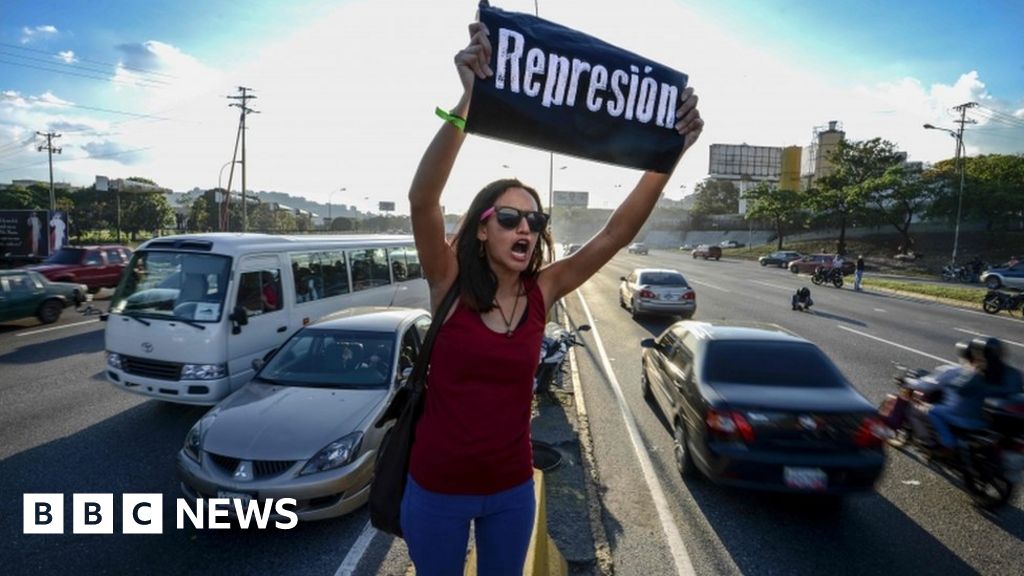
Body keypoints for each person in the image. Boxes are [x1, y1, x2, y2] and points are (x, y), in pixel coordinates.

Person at [403, 20, 703, 576]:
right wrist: (466, 99)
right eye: (509, 217)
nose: (525, 228)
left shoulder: (544, 289)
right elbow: (424, 199)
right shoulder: (447, 280)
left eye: (534, 220)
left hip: (513, 491)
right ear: (481, 230)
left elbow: (615, 234)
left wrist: (672, 153)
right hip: (436, 493)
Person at [928, 337, 1021, 455]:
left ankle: (948, 444)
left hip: (975, 417)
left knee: (934, 411)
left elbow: (959, 389)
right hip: (996, 418)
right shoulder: (1012, 372)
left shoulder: (979, 373)